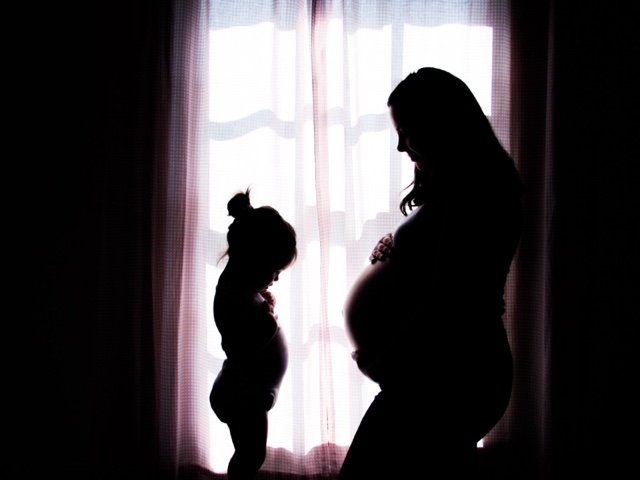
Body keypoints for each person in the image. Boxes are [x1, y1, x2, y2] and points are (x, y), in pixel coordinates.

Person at [340, 67, 524, 478]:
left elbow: (451, 301)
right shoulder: (458, 190)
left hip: (452, 372)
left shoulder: (480, 193)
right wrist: (396, 248)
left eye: (407, 132)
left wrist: (382, 362)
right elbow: (438, 263)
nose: (400, 146)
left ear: (441, 125)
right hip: (435, 369)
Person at [209, 188, 297, 480]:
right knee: (250, 455)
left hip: (250, 393)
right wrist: (267, 326)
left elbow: (248, 321)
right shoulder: (229, 297)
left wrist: (262, 303)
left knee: (251, 454)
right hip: (242, 395)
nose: (276, 278)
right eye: (274, 270)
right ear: (253, 259)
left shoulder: (242, 290)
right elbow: (237, 348)